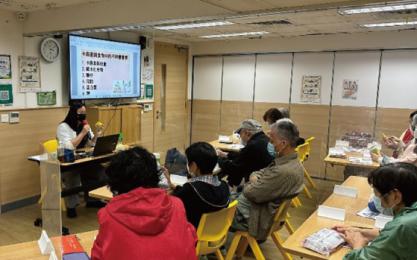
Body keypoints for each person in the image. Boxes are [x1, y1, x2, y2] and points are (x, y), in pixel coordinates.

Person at [91, 147, 197, 260]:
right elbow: (191, 239)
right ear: (155, 176)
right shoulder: (176, 205)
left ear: (115, 182)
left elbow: (97, 256)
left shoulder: (108, 215)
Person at [231, 119, 304, 241]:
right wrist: (254, 179)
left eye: (271, 140)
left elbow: (250, 192)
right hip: (255, 209)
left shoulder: (283, 171)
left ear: (283, 143)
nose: (269, 143)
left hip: (252, 217)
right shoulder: (289, 161)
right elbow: (259, 172)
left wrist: (251, 181)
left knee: (209, 210)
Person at [334, 162, 417, 260]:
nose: (380, 203)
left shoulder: (403, 225)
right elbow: (399, 237)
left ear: (396, 196)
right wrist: (360, 231)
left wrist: (357, 245)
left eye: (379, 197)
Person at [57, 101, 105, 218]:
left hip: (83, 157)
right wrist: (83, 133)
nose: (83, 115)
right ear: (73, 113)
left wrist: (97, 135)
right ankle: (71, 206)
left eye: (85, 113)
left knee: (97, 169)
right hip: (68, 159)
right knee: (72, 175)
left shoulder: (84, 124)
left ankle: (92, 200)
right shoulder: (63, 127)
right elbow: (68, 146)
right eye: (81, 113)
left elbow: (90, 143)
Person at [165, 142, 230, 228]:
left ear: (194, 166)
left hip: (191, 233)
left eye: (188, 162)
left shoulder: (190, 189)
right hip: (214, 230)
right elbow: (200, 192)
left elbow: (170, 203)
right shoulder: (224, 186)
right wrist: (176, 187)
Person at [217, 119, 274, 187]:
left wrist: (218, 158)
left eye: (240, 134)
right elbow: (244, 155)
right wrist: (227, 155)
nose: (240, 137)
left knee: (232, 176)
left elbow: (234, 168)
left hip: (258, 184)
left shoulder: (253, 145)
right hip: (266, 178)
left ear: (247, 133)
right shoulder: (263, 139)